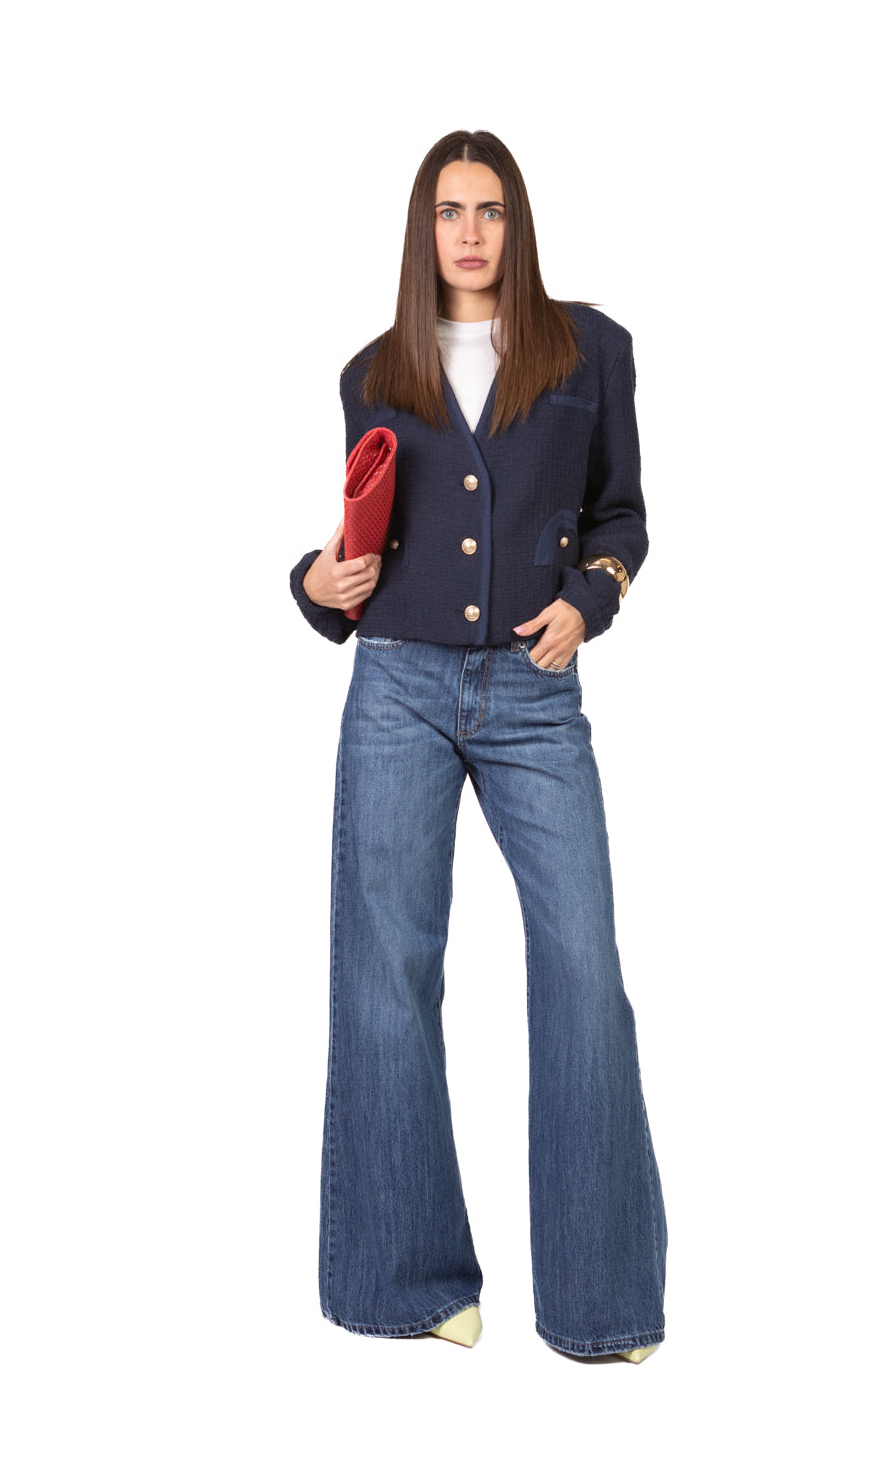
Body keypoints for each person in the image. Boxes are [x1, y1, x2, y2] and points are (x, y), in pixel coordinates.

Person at [289, 129, 667, 1362]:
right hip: (395, 683)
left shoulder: (587, 350)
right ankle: (406, 1284)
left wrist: (590, 599)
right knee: (384, 972)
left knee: (582, 968)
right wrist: (313, 583)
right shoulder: (371, 372)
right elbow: (356, 544)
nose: (468, 231)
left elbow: (622, 514)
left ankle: (602, 1306)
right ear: (423, 228)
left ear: (516, 223)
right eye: (449, 210)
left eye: (489, 209)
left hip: (533, 690)